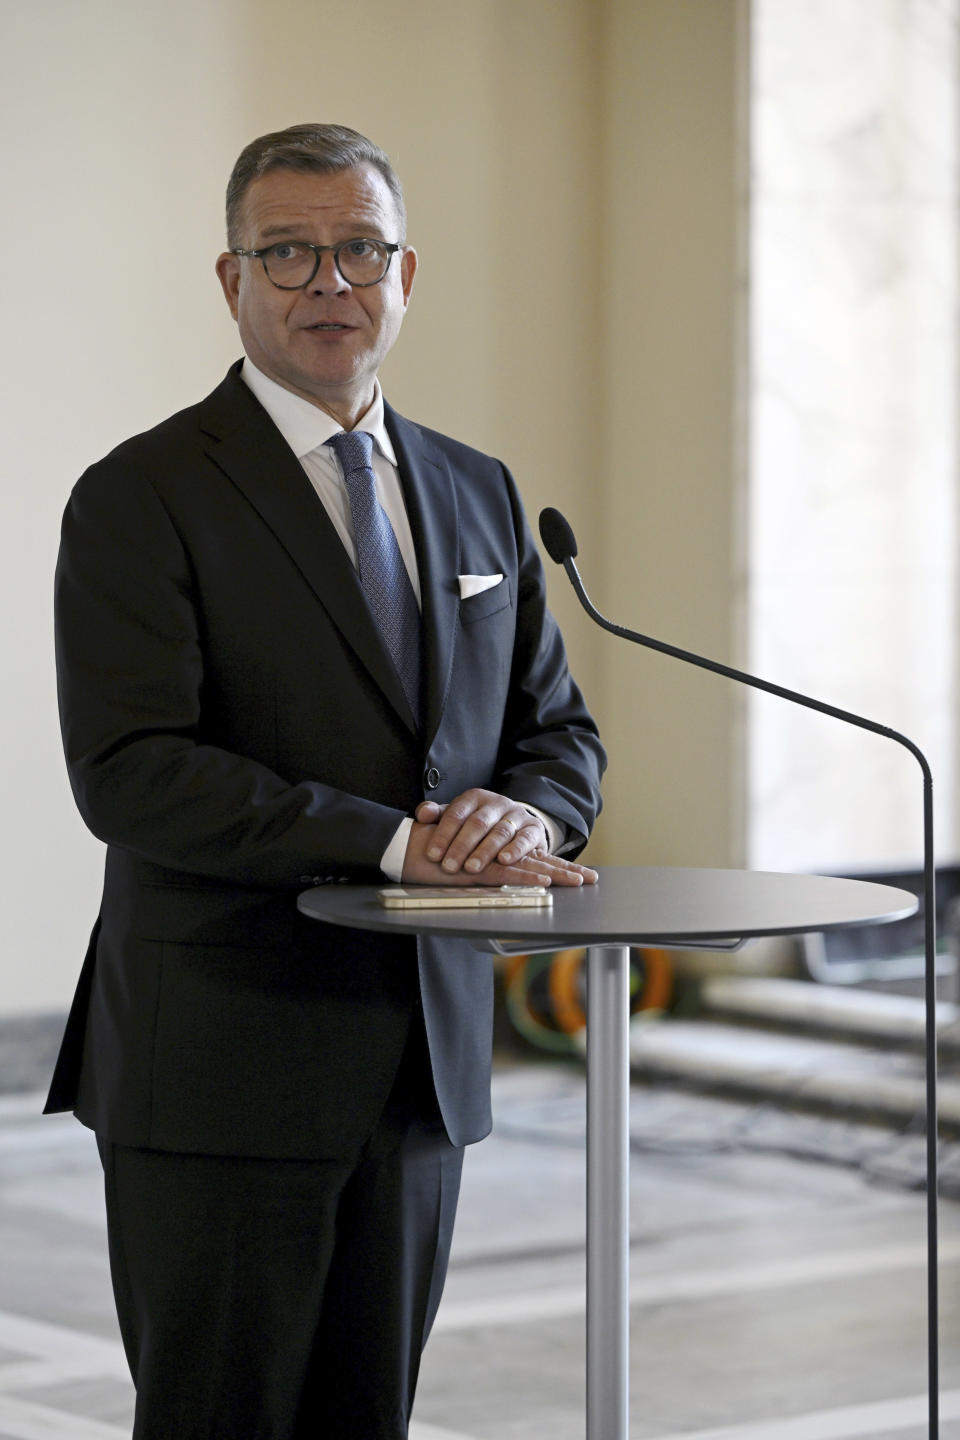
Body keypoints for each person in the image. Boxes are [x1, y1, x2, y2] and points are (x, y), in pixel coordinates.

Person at [46, 122, 605, 1440]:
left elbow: (559, 734)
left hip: (420, 1066)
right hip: (223, 1063)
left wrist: (530, 812)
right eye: (286, 252)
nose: (326, 283)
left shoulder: (478, 491)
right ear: (230, 282)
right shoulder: (141, 496)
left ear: (407, 273)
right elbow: (131, 772)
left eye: (357, 250)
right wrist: (401, 846)